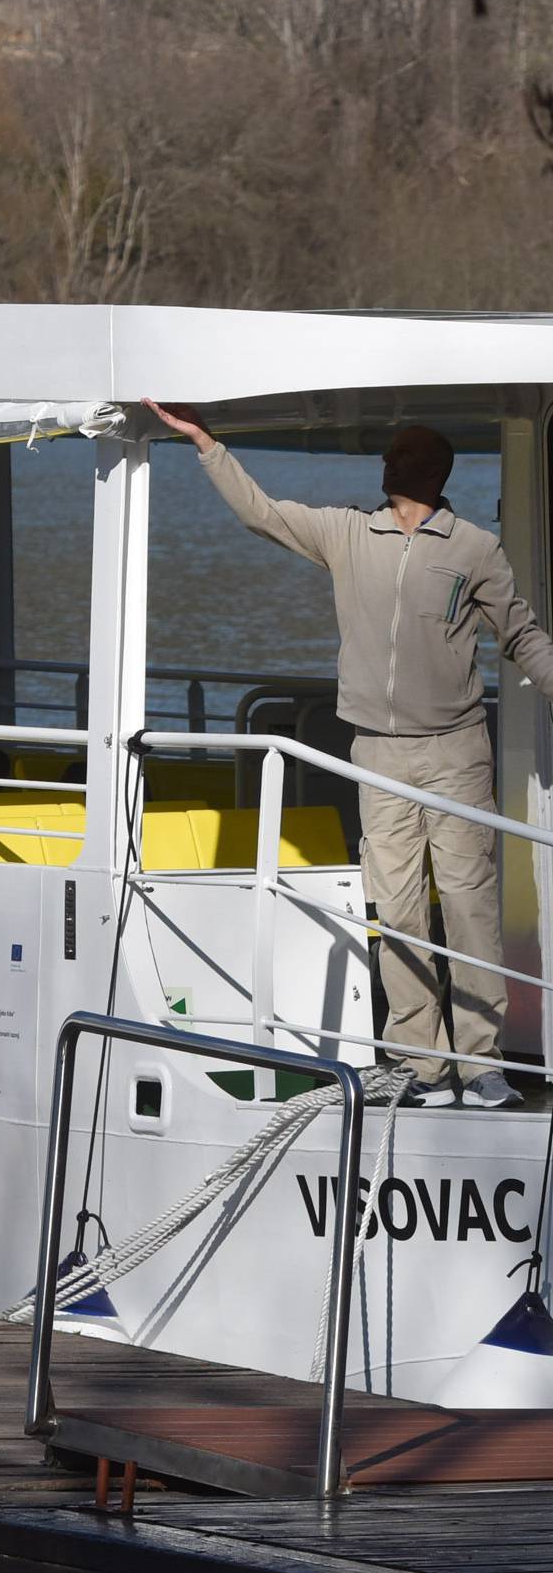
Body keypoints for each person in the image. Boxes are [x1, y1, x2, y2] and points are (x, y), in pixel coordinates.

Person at [144, 402, 553, 1108]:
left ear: (434, 472)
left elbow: (522, 635)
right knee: (397, 911)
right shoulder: (344, 532)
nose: (389, 464)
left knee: (469, 907)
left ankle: (482, 1064)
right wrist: (206, 444)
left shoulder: (474, 550)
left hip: (457, 752)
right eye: (391, 454)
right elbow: (262, 513)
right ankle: (422, 1065)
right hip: (379, 755)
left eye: (404, 455)